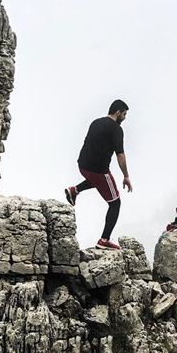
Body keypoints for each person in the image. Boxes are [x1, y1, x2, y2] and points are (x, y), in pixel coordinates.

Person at [64, 99, 133, 249]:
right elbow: (120, 155)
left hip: (82, 165)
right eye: (124, 114)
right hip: (98, 170)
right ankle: (104, 240)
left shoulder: (95, 122)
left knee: (97, 180)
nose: (125, 118)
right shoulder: (116, 129)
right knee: (115, 203)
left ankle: (74, 190)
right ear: (118, 112)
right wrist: (126, 176)